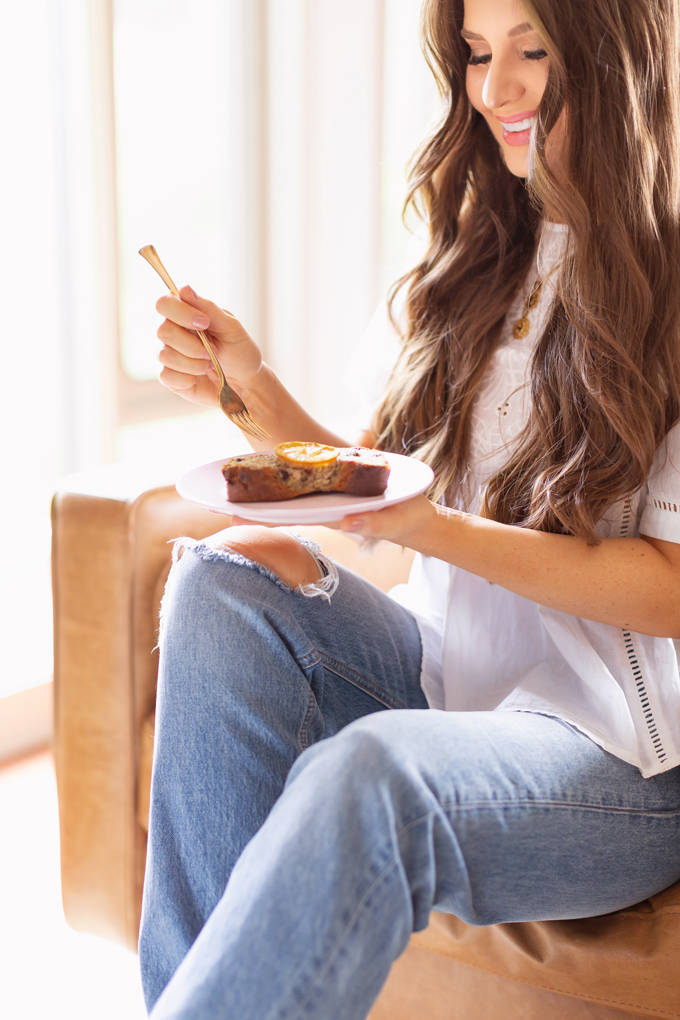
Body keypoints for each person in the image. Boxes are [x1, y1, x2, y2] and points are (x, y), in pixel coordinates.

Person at [139, 0, 680, 1016]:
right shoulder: (479, 256)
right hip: (451, 687)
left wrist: (432, 528)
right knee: (222, 581)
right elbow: (382, 481)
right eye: (476, 54)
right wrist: (241, 383)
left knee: (370, 773)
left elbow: (667, 591)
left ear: (616, 61)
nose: (493, 88)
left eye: (531, 51)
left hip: (622, 761)